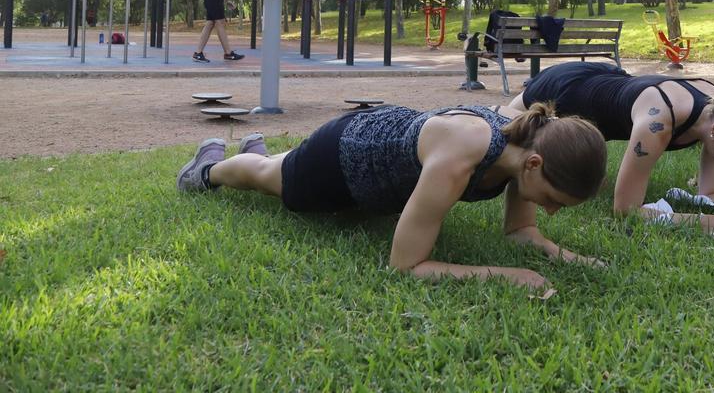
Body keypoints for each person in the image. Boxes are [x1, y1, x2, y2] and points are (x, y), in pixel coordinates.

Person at [176, 102, 608, 290]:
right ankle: (207, 169)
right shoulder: (464, 155)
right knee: (270, 177)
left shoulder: (531, 141)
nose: (550, 209)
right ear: (535, 166)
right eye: (554, 199)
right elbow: (406, 265)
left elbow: (521, 231)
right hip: (344, 158)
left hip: (384, 135)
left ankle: (256, 148)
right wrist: (508, 275)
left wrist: (573, 258)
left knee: (274, 167)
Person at [509, 61, 714, 237]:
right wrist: (697, 221)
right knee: (505, 132)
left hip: (608, 78)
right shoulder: (658, 122)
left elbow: (710, 194)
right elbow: (625, 209)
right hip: (566, 87)